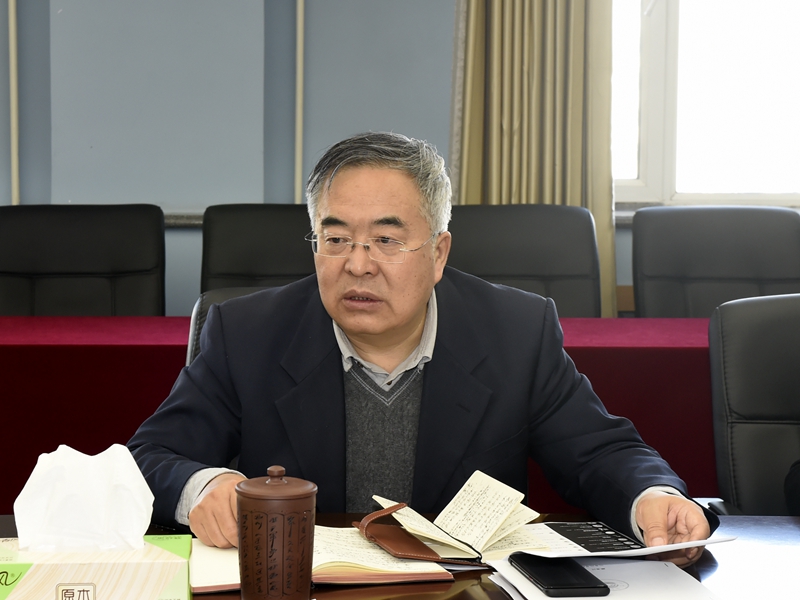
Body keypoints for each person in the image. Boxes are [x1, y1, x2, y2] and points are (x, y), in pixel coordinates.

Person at [128, 131, 717, 566]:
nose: (358, 264)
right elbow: (151, 456)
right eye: (336, 238)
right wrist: (203, 487)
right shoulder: (248, 332)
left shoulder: (514, 330)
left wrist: (651, 497)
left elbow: (597, 451)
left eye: (387, 240)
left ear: (438, 253)